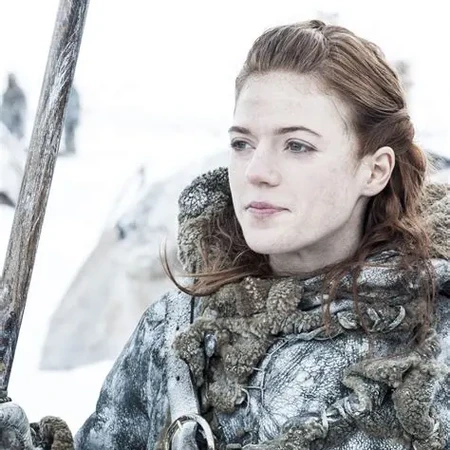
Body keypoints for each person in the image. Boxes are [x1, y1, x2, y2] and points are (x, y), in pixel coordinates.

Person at [0, 19, 449, 450]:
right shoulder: (177, 331)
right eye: (242, 143)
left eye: (297, 146)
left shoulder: (437, 344)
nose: (256, 171)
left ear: (374, 170)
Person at [0, 73, 27, 141]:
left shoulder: (19, 92)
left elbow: (23, 103)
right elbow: (4, 106)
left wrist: (16, 108)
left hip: (17, 117)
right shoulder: (6, 93)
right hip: (9, 118)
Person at [62, 86, 80, 155]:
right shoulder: (73, 91)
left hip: (71, 117)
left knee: (70, 133)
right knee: (69, 133)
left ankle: (70, 149)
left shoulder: (71, 91)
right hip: (71, 117)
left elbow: (72, 105)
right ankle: (70, 148)